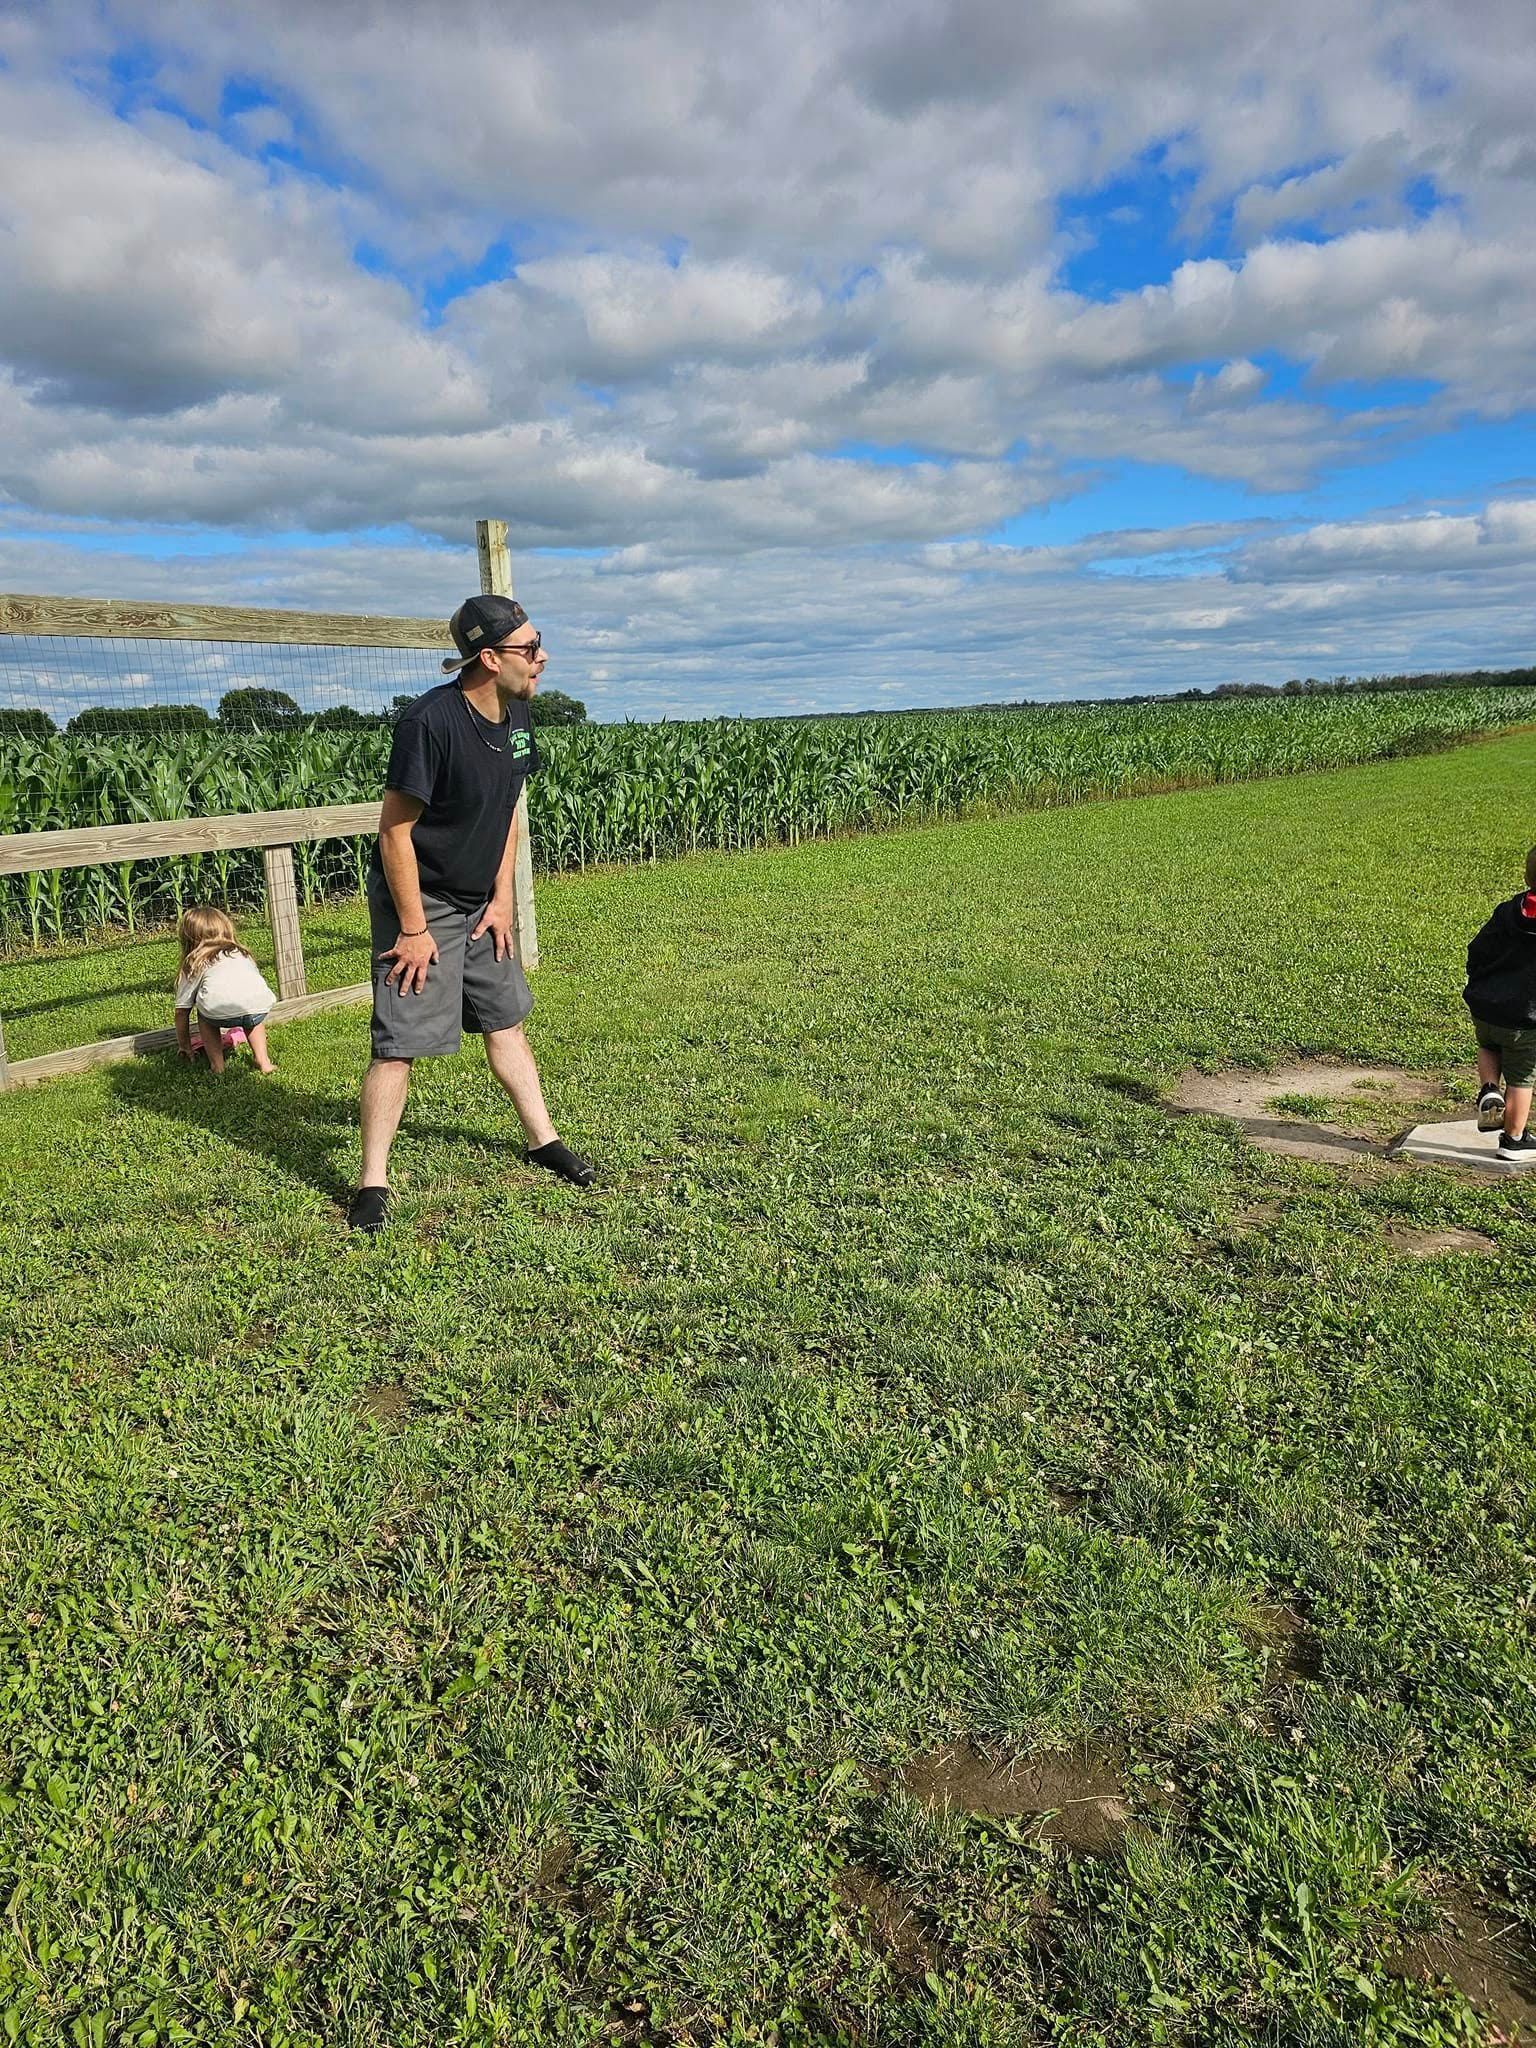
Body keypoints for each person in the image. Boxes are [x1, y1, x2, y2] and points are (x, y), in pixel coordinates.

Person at [347, 593, 595, 1233]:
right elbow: (394, 833)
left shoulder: (517, 716)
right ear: (489, 657)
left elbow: (511, 806)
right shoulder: (430, 723)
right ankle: (372, 1182)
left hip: (482, 900)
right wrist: (413, 929)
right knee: (398, 1043)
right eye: (530, 649)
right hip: (421, 900)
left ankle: (544, 1141)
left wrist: (503, 898)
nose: (543, 659)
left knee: (506, 1020)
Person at [1465, 844, 1536, 1158]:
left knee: (1489, 1046)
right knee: (1522, 1076)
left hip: (1487, 1007)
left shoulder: (1508, 910)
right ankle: (1514, 1139)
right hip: (1526, 1018)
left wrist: (1479, 978)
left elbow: (1478, 947)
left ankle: (1489, 1089)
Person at [173, 906, 278, 1075]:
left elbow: (181, 1012)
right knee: (251, 1010)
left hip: (218, 1015)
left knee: (204, 1014)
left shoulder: (196, 961)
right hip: (259, 1007)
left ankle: (218, 1066)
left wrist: (185, 1046)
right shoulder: (242, 953)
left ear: (188, 937)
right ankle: (264, 1061)